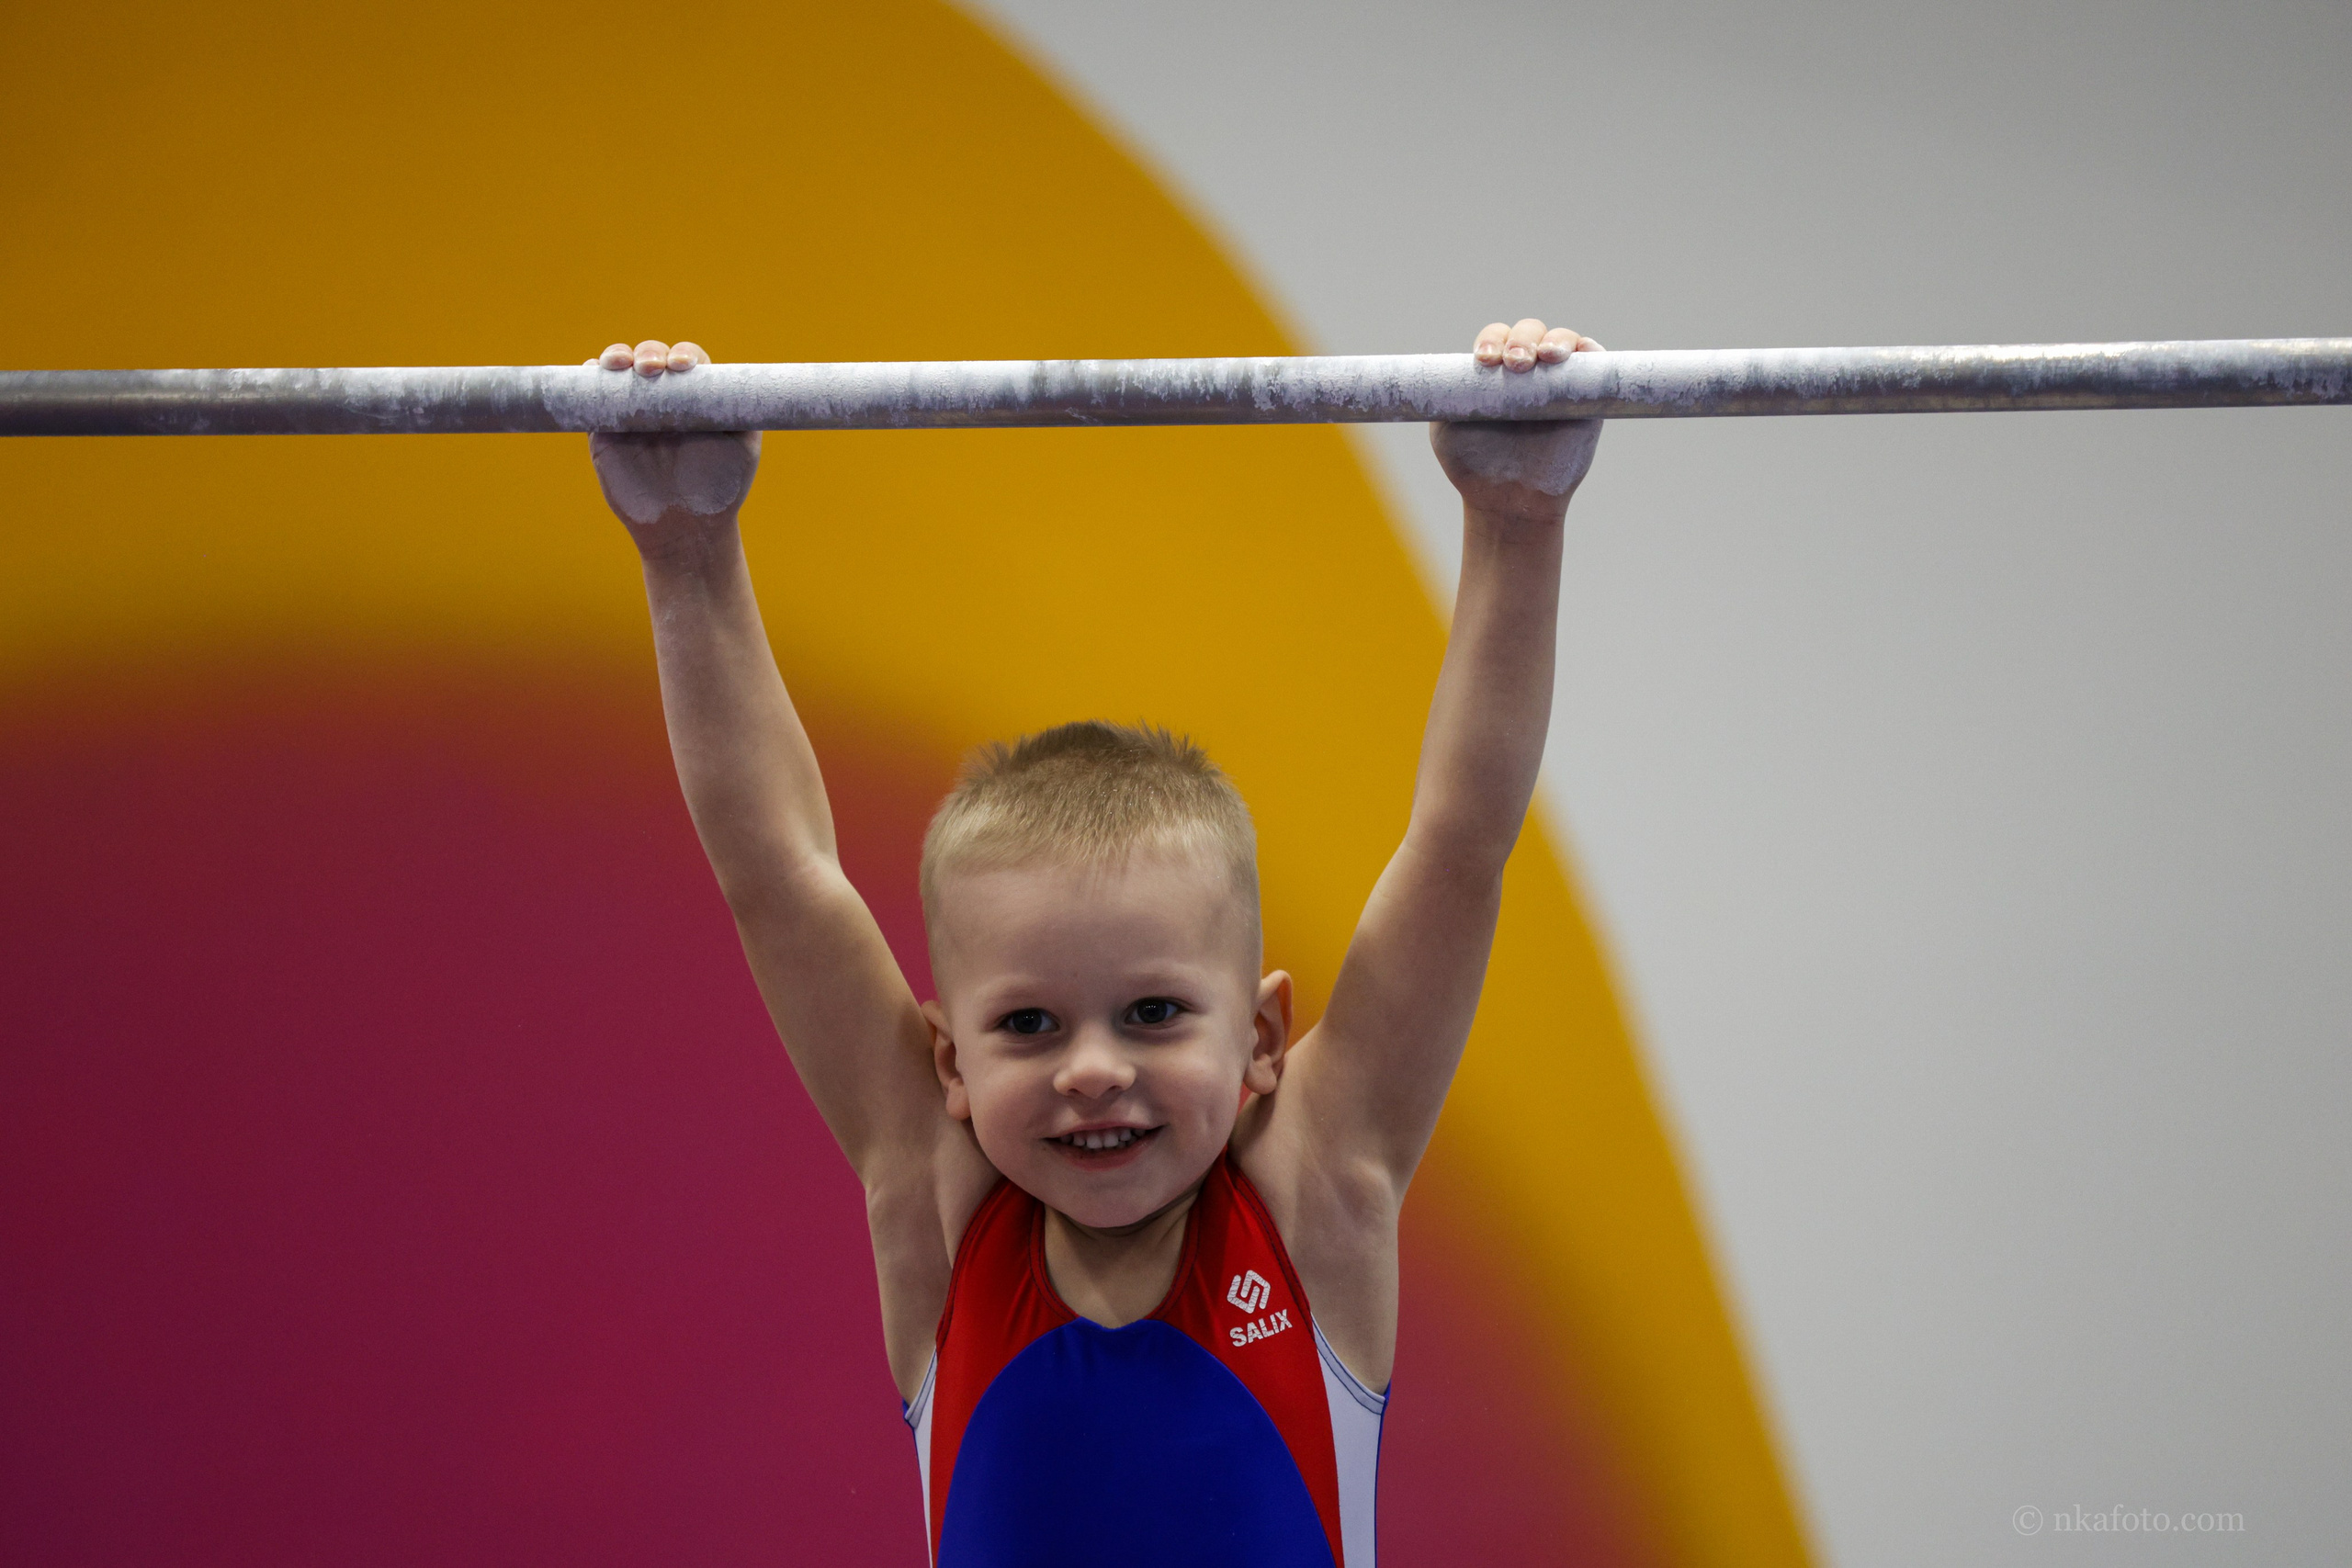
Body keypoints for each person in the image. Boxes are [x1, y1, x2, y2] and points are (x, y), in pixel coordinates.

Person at [588, 319, 1604, 1568]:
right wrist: (685, 552)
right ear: (948, 1064)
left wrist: (1516, 522)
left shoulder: (1315, 1200)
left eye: (1154, 1014)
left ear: (1266, 1039)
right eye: (1027, 1026)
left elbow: (1458, 848)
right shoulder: (943, 1207)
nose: (1090, 1070)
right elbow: (778, 877)